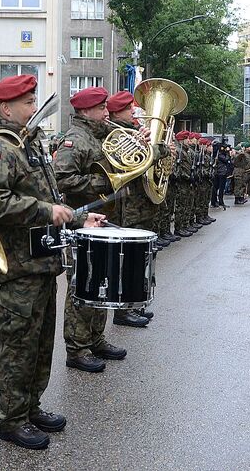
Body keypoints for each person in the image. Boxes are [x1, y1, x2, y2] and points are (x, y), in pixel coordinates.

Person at [0, 74, 105, 450]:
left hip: (42, 263)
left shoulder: (29, 144)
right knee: (18, 347)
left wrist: (81, 218)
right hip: (19, 269)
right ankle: (12, 419)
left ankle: (31, 407)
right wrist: (46, 210)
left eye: (35, 101)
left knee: (40, 344)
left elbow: (51, 198)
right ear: (6, 108)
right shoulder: (1, 148)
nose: (35, 108)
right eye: (29, 103)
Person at [54, 86, 127, 373]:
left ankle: (96, 338)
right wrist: (103, 183)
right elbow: (62, 179)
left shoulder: (98, 136)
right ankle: (77, 347)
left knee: (103, 283)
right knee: (82, 285)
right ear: (85, 111)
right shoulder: (75, 140)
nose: (106, 112)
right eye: (101, 108)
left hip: (103, 220)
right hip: (82, 221)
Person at [106, 90, 160, 325]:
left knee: (136, 260)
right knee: (125, 261)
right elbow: (128, 165)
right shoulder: (114, 134)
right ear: (118, 112)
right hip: (125, 209)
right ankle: (123, 311)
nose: (133, 112)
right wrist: (153, 148)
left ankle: (131, 305)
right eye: (129, 109)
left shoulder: (129, 132)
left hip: (136, 206)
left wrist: (144, 142)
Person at [212, 145, 230, 209]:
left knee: (217, 188)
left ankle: (216, 201)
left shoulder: (219, 154)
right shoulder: (219, 155)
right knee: (220, 188)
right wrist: (228, 153)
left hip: (221, 173)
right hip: (221, 173)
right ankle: (219, 202)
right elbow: (226, 160)